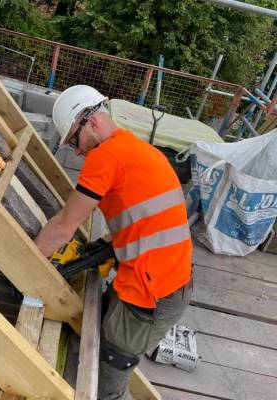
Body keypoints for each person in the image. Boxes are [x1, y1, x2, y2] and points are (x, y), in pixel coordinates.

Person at [35, 85, 193, 400]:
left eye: (73, 141)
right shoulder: (137, 149)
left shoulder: (105, 157)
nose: (76, 152)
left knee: (108, 385)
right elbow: (145, 218)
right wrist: (110, 244)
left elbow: (65, 225)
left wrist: (29, 264)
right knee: (100, 348)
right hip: (167, 284)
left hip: (149, 297)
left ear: (90, 122)